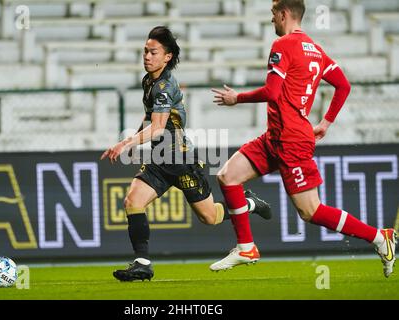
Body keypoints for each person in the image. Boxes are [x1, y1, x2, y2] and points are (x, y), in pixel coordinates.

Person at [210, 0, 396, 277]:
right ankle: (246, 246)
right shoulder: (315, 50)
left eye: (273, 14)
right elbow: (343, 85)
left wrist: (238, 98)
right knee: (227, 176)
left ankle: (381, 237)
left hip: (291, 140)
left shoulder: (283, 46)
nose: (272, 20)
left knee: (311, 211)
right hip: (276, 136)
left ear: (284, 14)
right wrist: (326, 122)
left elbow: (273, 92)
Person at [101, 26, 272, 282]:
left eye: (153, 52)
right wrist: (136, 138)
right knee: (132, 202)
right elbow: (151, 119)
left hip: (182, 161)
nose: (147, 56)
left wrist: (127, 142)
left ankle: (249, 203)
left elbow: (158, 127)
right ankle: (142, 263)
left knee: (210, 217)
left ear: (167, 56)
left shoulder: (164, 86)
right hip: (160, 160)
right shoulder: (149, 81)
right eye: (145, 51)